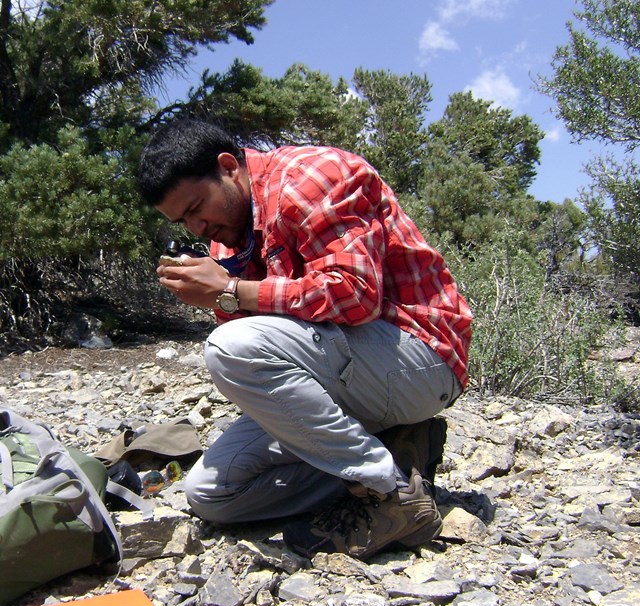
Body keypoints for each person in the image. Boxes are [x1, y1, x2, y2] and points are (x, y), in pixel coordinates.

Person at [137, 118, 472, 560]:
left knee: (231, 348)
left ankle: (388, 492)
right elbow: (271, 347)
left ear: (227, 167)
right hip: (347, 371)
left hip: (417, 353)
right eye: (183, 221)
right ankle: (393, 452)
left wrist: (228, 291)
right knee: (210, 494)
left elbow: (355, 294)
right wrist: (216, 295)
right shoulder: (225, 242)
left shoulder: (311, 178)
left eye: (197, 207)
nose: (197, 227)